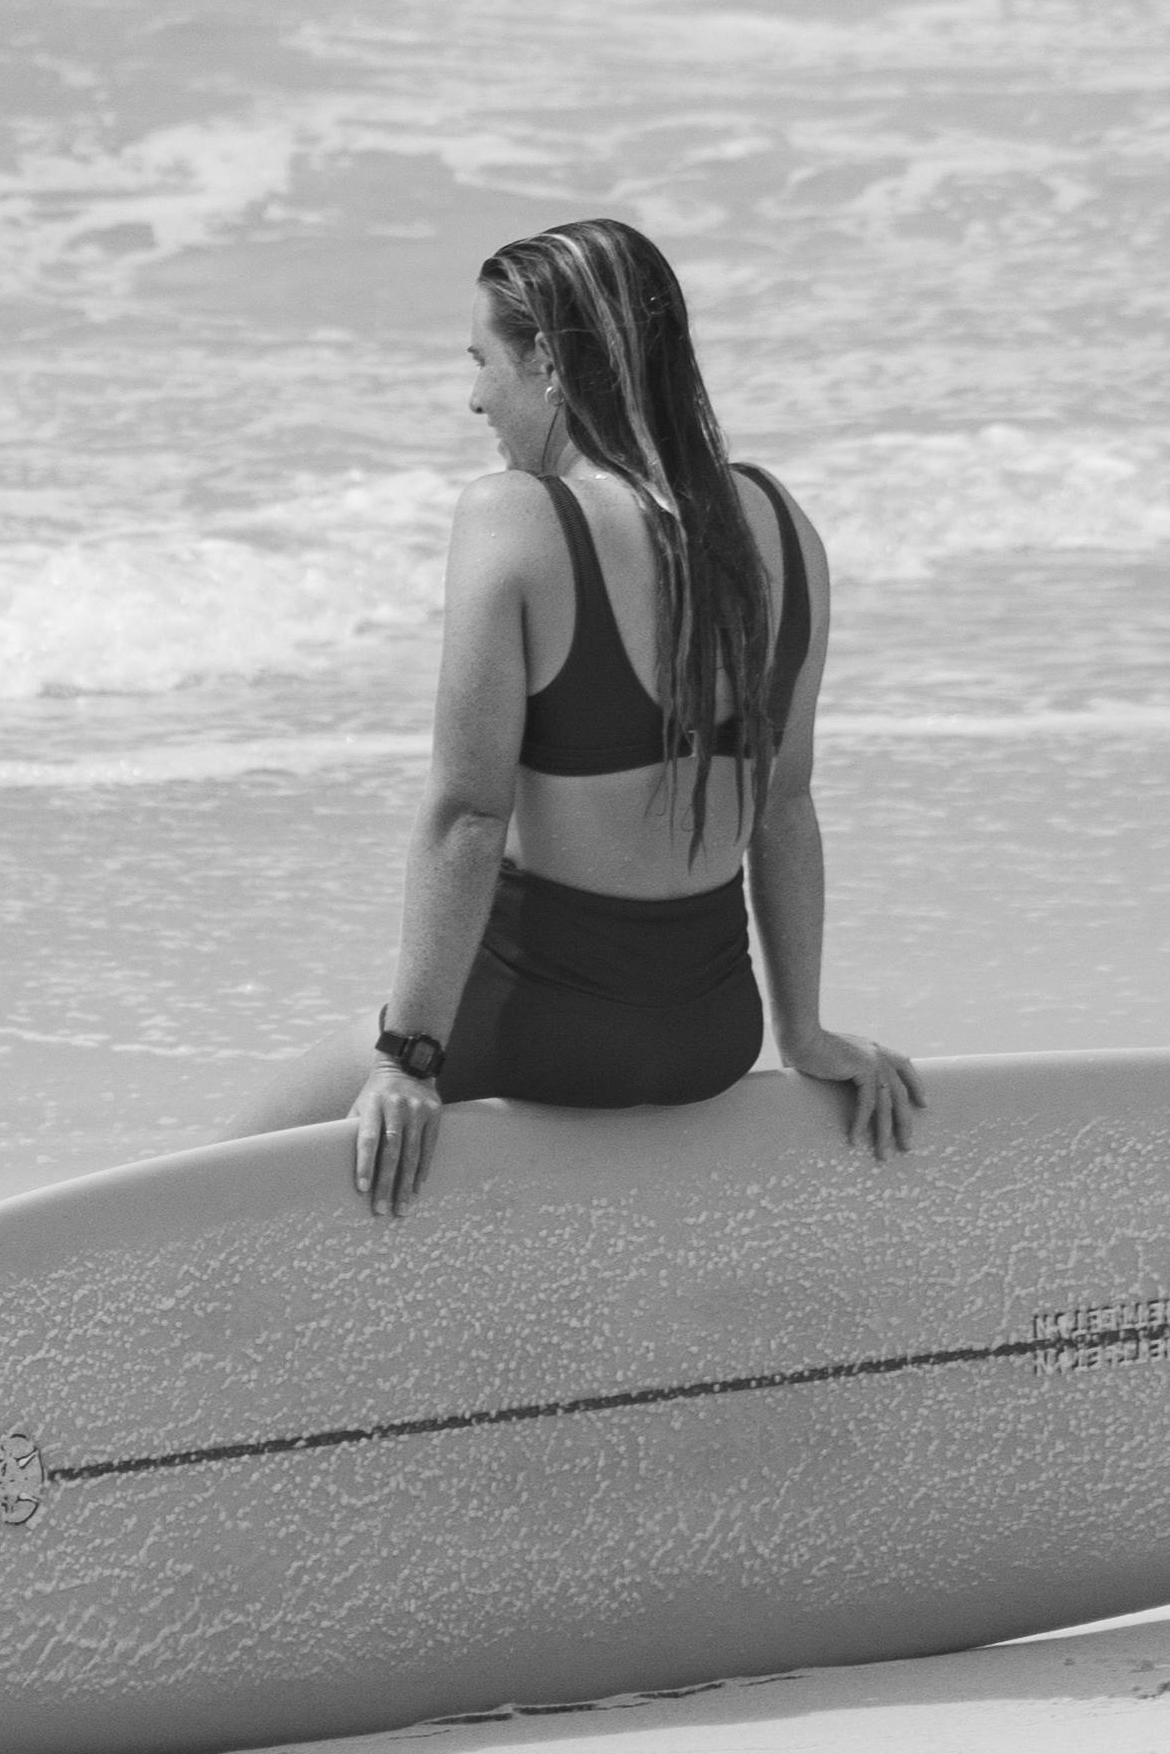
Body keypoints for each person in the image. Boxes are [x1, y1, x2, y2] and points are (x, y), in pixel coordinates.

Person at [240, 218, 920, 1217]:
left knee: (225, 1164)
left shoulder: (515, 518)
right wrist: (804, 1032)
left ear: (548, 363)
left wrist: (411, 1056)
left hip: (533, 1026)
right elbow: (784, 805)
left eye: (483, 361)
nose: (474, 395)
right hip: (709, 1035)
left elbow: (468, 814)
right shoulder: (783, 524)